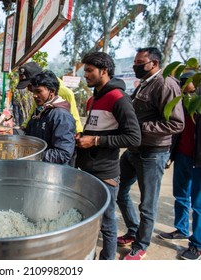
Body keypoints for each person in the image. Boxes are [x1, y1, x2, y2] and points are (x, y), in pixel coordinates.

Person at [116, 47, 185, 260]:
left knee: (147, 203)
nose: (135, 66)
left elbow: (176, 123)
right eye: (135, 62)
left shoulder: (165, 84)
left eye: (139, 62)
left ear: (153, 63)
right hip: (134, 149)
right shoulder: (146, 83)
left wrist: (140, 129)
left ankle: (141, 245)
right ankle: (133, 230)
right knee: (119, 189)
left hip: (153, 153)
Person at [75, 52, 141, 260]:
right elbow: (101, 129)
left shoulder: (118, 98)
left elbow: (133, 138)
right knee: (90, 219)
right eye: (84, 70)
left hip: (105, 172)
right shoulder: (94, 98)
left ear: (104, 71)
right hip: (88, 169)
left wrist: (94, 141)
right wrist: (84, 137)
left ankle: (108, 261)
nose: (85, 75)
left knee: (107, 222)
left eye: (89, 70)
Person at [157, 71, 201, 260]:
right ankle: (181, 229)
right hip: (182, 155)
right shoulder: (180, 103)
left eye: (187, 81)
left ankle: (197, 245)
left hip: (199, 159)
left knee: (198, 203)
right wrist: (171, 154)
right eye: (181, 81)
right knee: (181, 195)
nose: (183, 84)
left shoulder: (198, 104)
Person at [24, 70, 75, 164]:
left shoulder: (61, 116)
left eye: (39, 91)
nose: (35, 96)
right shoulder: (40, 111)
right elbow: (28, 135)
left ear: (51, 91)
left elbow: (63, 153)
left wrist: (34, 156)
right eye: (34, 92)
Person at [17, 61, 83, 134]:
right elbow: (33, 112)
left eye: (29, 85)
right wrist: (24, 127)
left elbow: (73, 116)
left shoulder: (65, 93)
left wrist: (78, 133)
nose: (29, 89)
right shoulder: (38, 93)